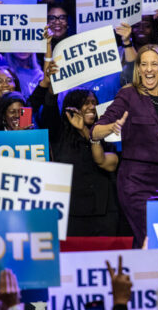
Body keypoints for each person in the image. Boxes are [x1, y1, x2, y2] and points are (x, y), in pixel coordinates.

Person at [91, 45, 158, 247]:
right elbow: (95, 131)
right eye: (144, 64)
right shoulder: (128, 95)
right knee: (153, 236)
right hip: (134, 182)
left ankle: (139, 267)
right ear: (138, 68)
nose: (148, 69)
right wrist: (112, 127)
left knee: (148, 239)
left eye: (154, 64)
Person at [44, 88, 120, 236]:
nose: (92, 107)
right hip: (71, 214)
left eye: (94, 102)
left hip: (103, 213)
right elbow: (49, 108)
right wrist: (51, 88)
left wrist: (84, 130)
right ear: (73, 107)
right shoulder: (59, 135)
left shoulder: (106, 135)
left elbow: (108, 163)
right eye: (85, 103)